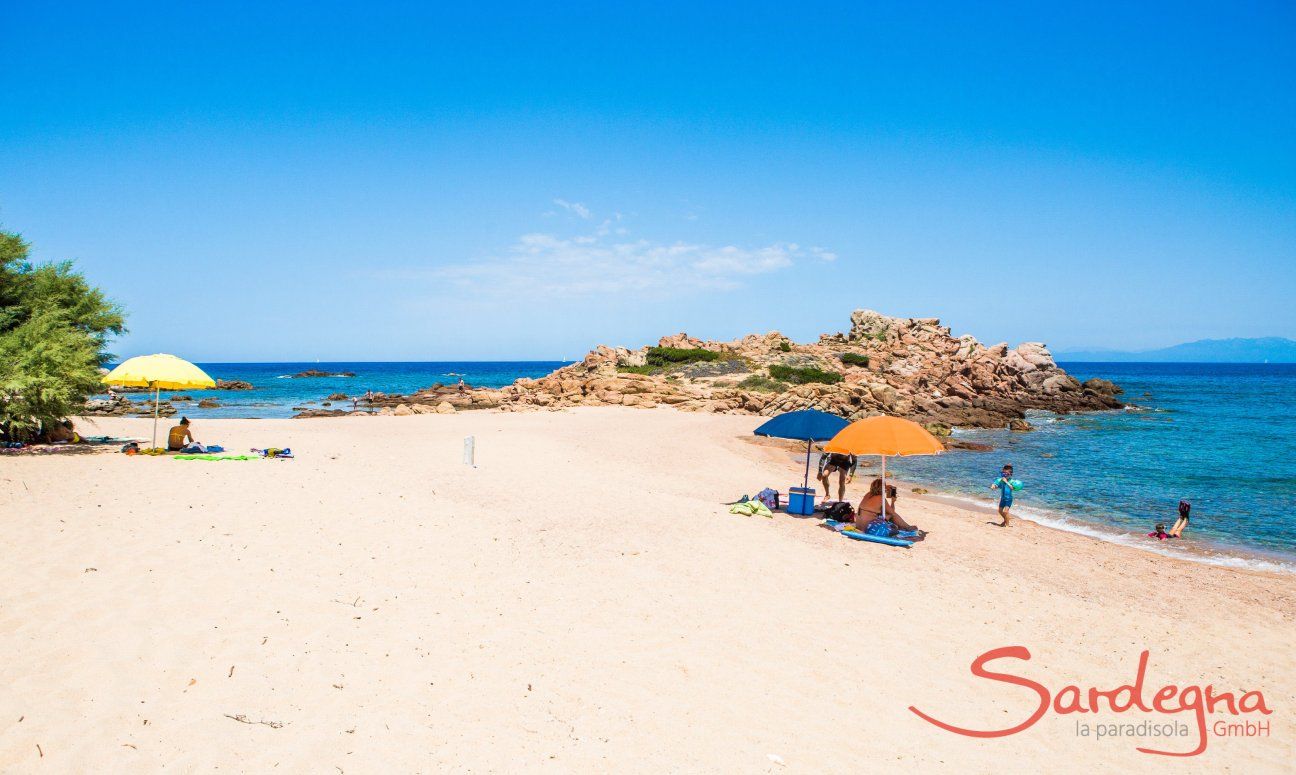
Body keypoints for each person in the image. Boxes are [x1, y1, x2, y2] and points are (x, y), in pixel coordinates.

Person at [856, 477, 920, 532]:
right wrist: (893, 501)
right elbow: (892, 513)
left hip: (859, 526)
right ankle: (907, 527)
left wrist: (886, 487)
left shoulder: (867, 494)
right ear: (883, 488)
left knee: (887, 516)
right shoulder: (881, 498)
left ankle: (904, 526)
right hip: (869, 528)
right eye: (885, 488)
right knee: (894, 526)